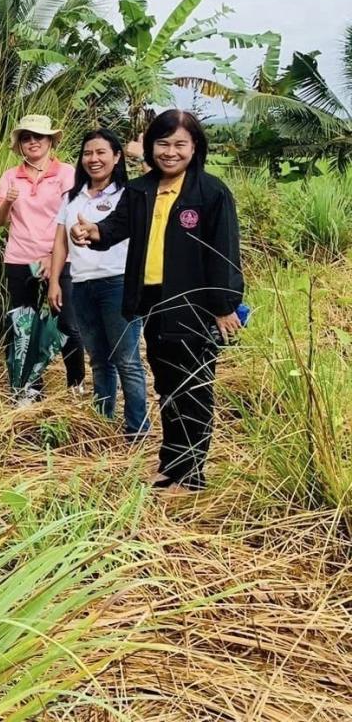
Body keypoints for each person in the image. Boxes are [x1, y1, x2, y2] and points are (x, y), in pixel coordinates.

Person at [72, 110, 243, 493]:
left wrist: (225, 304)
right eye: (162, 144)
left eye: (180, 144)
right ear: (150, 147)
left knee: (193, 386)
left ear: (194, 147)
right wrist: (91, 232)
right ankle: (172, 466)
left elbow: (225, 252)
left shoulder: (211, 192)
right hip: (153, 301)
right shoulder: (141, 189)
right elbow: (115, 228)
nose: (170, 152)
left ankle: (192, 475)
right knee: (166, 385)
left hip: (194, 304)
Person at [48, 130, 151, 439]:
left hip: (118, 283)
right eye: (88, 153)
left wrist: (141, 154)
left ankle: (137, 429)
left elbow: (157, 181)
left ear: (116, 156)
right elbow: (59, 245)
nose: (94, 159)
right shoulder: (71, 197)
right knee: (99, 360)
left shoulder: (129, 194)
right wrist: (54, 281)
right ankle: (103, 423)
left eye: (101, 152)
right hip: (81, 286)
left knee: (127, 360)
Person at [0, 113, 85, 399]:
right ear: (19, 144)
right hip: (20, 258)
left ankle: (76, 384)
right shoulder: (10, 176)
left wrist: (52, 256)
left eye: (38, 137)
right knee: (24, 324)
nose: (32, 142)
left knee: (67, 321)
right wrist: (7, 201)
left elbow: (71, 219)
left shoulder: (67, 173)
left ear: (50, 141)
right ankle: (30, 386)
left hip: (60, 257)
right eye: (26, 138)